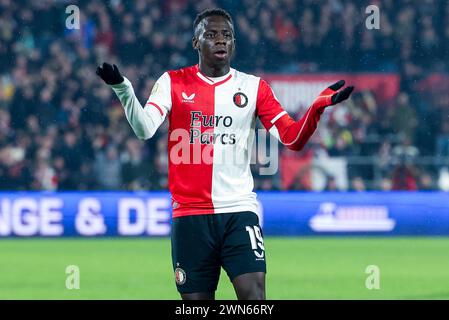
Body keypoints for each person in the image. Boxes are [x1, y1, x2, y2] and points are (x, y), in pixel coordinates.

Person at [96, 8, 353, 300]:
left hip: (239, 211)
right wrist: (123, 89)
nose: (221, 41)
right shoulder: (172, 82)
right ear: (196, 42)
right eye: (212, 34)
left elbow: (291, 138)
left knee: (254, 297)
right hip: (190, 216)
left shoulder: (254, 88)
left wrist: (317, 107)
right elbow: (144, 129)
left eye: (227, 35)